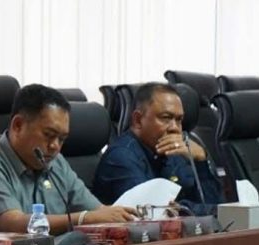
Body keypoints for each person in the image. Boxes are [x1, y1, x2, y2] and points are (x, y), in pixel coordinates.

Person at [0, 84, 137, 235]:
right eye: (49, 135)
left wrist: (131, 219)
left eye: (62, 139)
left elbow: (97, 211)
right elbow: (14, 224)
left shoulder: (54, 162)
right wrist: (84, 219)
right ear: (18, 125)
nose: (55, 146)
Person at [93, 82, 222, 216]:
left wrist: (201, 159)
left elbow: (217, 208)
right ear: (138, 120)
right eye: (166, 118)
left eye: (179, 120)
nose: (175, 128)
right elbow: (152, 213)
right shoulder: (121, 157)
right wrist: (187, 208)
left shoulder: (175, 151)